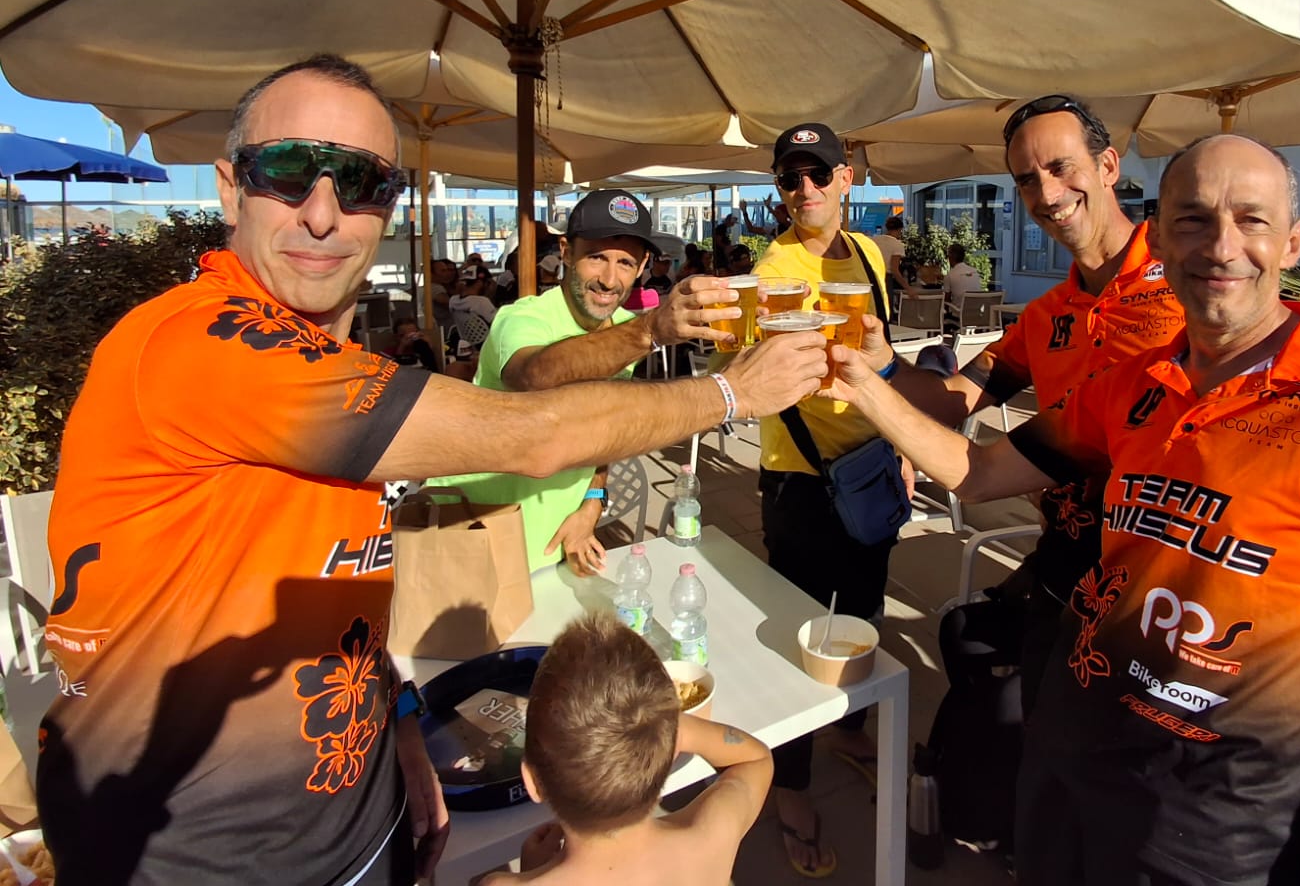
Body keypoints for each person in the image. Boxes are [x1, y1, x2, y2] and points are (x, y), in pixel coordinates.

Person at [37, 54, 826, 886]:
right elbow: (534, 425)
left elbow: (324, 579)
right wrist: (732, 393)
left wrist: (399, 720)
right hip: (191, 853)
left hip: (353, 812)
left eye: (362, 183)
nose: (323, 214)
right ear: (231, 189)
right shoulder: (204, 344)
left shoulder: (327, 357)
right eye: (288, 171)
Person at [829, 133, 1300, 886]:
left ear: (1294, 241)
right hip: (1069, 752)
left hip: (1222, 811)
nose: (1221, 246)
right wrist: (862, 383)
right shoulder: (1134, 382)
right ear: (1162, 236)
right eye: (1193, 220)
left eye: (1251, 220)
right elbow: (980, 473)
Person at [876, 94, 1184, 714]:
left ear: (1108, 166)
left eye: (1061, 167)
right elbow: (954, 399)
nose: (1046, 193)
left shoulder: (1189, 282)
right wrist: (879, 362)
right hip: (1068, 560)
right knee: (986, 670)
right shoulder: (1045, 316)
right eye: (1026, 179)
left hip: (1172, 579)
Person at [434, 187, 743, 576]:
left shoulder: (623, 330)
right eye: (596, 257)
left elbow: (603, 429)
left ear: (643, 266)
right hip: (473, 532)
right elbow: (533, 377)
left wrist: (593, 501)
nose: (609, 280)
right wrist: (649, 331)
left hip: (555, 543)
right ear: (566, 252)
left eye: (625, 262)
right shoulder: (524, 317)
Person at [750, 121, 897, 877]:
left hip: (870, 466)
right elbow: (754, 373)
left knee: (864, 613)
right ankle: (792, 787)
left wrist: (900, 441)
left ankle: (849, 730)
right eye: (790, 177)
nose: (804, 189)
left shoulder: (868, 252)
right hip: (802, 479)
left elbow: (882, 357)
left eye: (817, 173)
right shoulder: (773, 267)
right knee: (803, 638)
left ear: (847, 178)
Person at [481, 613, 772, 886]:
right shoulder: (711, 838)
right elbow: (755, 760)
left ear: (533, 782)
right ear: (670, 752)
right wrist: (671, 727)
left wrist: (531, 871)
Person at [449, 262, 498, 350]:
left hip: (468, 343)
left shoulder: (453, 301)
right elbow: (498, 323)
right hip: (488, 344)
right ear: (479, 282)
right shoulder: (482, 302)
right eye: (488, 282)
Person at [869, 213, 913, 294]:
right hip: (885, 279)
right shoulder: (897, 245)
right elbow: (895, 270)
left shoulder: (873, 240)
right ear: (900, 229)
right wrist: (908, 288)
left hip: (869, 277)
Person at [941, 243, 984, 311]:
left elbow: (946, 301)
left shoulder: (950, 275)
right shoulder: (975, 272)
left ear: (951, 257)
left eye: (948, 255)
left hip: (958, 314)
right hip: (977, 313)